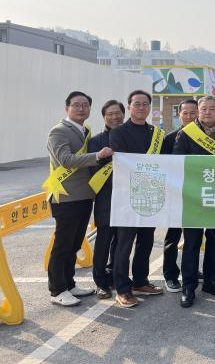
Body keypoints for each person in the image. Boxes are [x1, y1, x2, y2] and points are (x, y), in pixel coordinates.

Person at [44, 91, 113, 306]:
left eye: (85, 105)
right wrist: (97, 156)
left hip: (83, 196)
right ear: (67, 108)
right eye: (76, 105)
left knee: (74, 244)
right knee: (62, 245)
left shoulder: (84, 130)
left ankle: (69, 284)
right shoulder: (58, 131)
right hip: (65, 197)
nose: (81, 108)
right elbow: (65, 160)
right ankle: (57, 290)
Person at [173, 96, 215, 308]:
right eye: (204, 109)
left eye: (212, 109)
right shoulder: (186, 133)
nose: (207, 112)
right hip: (193, 196)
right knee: (192, 242)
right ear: (198, 111)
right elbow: (177, 162)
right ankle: (188, 287)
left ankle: (210, 281)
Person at [110, 90, 165, 308]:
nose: (141, 107)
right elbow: (122, 163)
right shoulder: (118, 132)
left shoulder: (156, 133)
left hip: (151, 194)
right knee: (124, 244)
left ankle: (141, 282)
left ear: (149, 107)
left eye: (145, 104)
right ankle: (122, 289)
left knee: (146, 241)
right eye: (137, 104)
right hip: (127, 195)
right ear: (129, 107)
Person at [88, 99, 125, 300]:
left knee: (121, 241)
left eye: (117, 113)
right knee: (104, 240)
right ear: (104, 117)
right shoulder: (96, 141)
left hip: (127, 198)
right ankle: (100, 282)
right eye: (110, 114)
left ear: (123, 114)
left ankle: (115, 275)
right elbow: (93, 173)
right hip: (106, 199)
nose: (114, 117)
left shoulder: (128, 137)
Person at [161, 98, 198, 294]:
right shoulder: (170, 138)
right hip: (175, 194)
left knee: (194, 238)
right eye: (185, 113)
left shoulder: (204, 137)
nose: (189, 117)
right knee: (173, 237)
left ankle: (191, 271)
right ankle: (170, 274)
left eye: (193, 113)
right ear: (179, 115)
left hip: (196, 196)